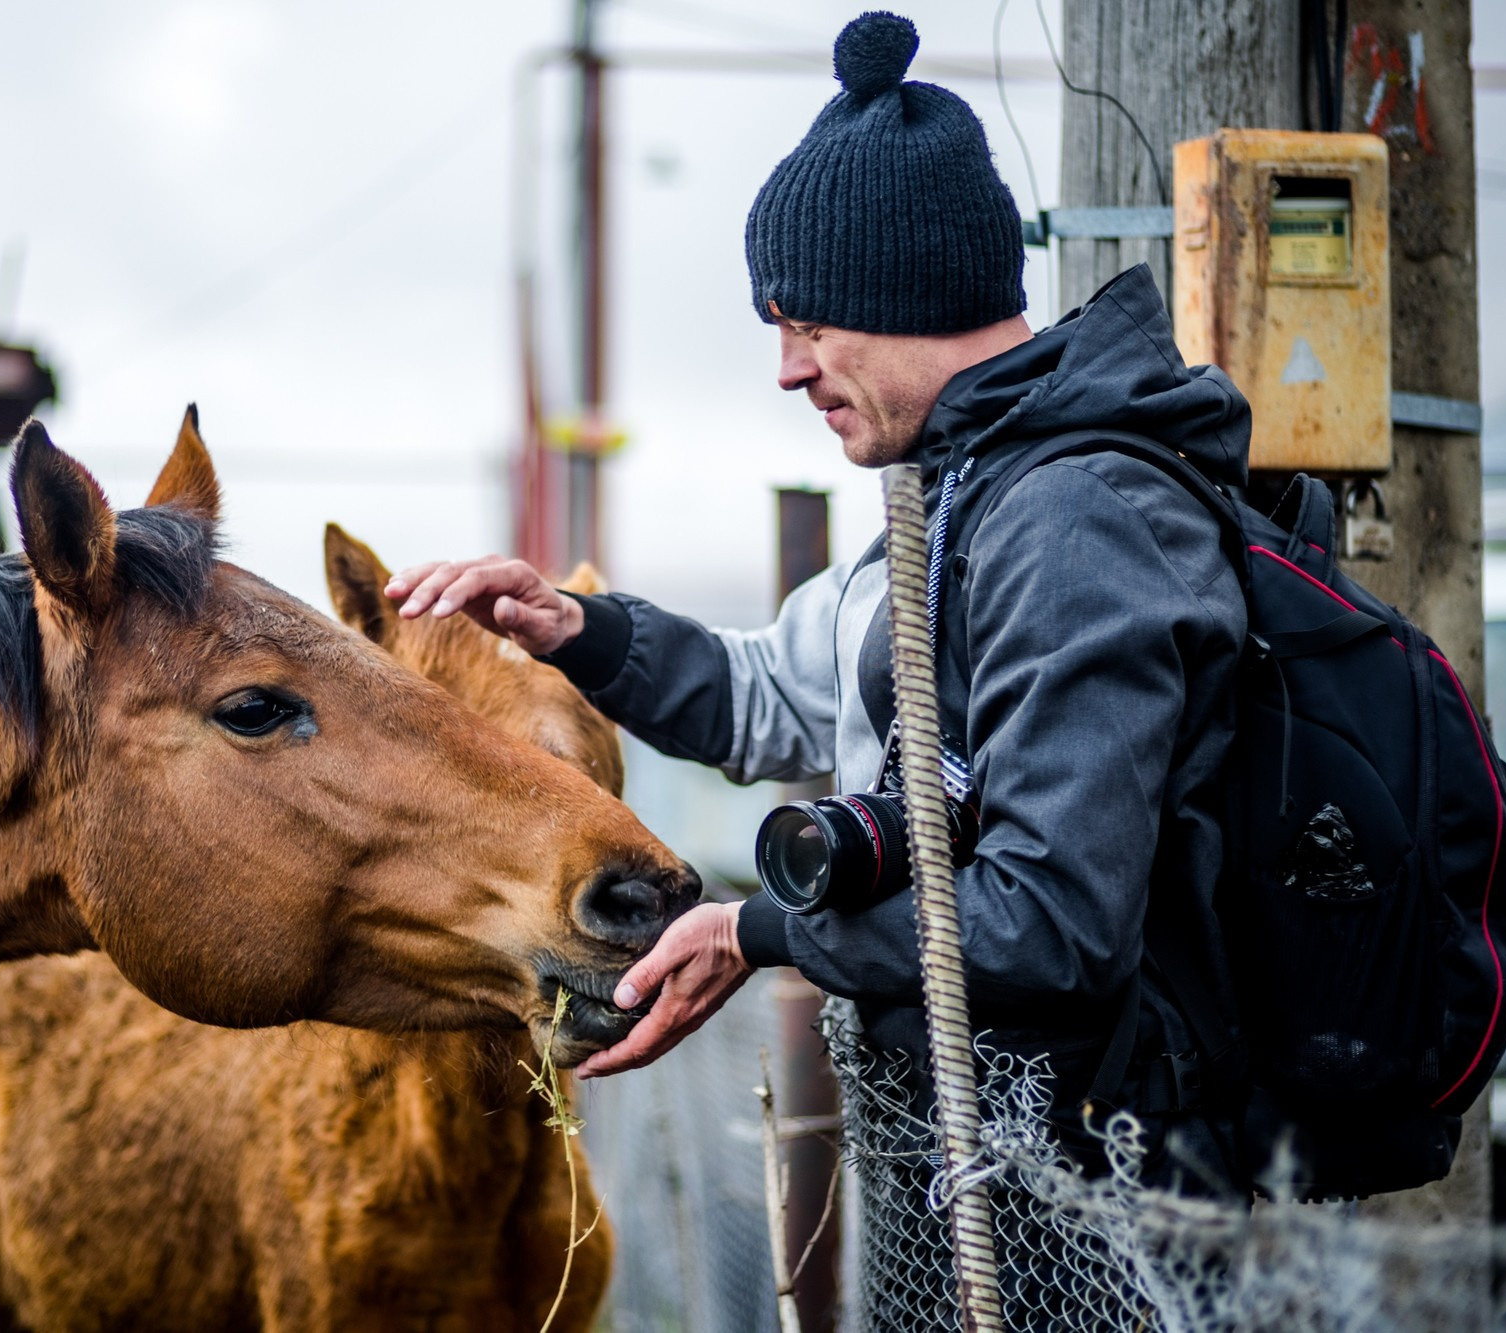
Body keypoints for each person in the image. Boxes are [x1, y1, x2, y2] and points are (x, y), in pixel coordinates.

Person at [387, 10, 1252, 1195]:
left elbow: (1048, 923)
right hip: (983, 1155)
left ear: (902, 290)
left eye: (805, 322)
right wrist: (575, 632)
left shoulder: (1068, 527)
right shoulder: (950, 499)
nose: (787, 368)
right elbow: (766, 695)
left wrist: (758, 933)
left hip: (1100, 1178)